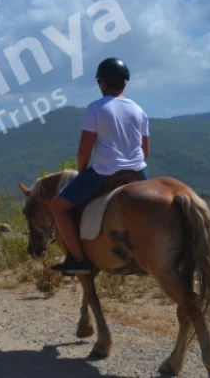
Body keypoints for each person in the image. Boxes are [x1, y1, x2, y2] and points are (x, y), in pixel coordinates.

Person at [50, 57, 150, 276]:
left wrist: (82, 171)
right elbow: (145, 151)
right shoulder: (139, 111)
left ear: (102, 83)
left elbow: (85, 149)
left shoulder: (95, 108)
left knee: (58, 206)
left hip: (105, 171)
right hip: (138, 170)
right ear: (125, 82)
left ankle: (78, 260)